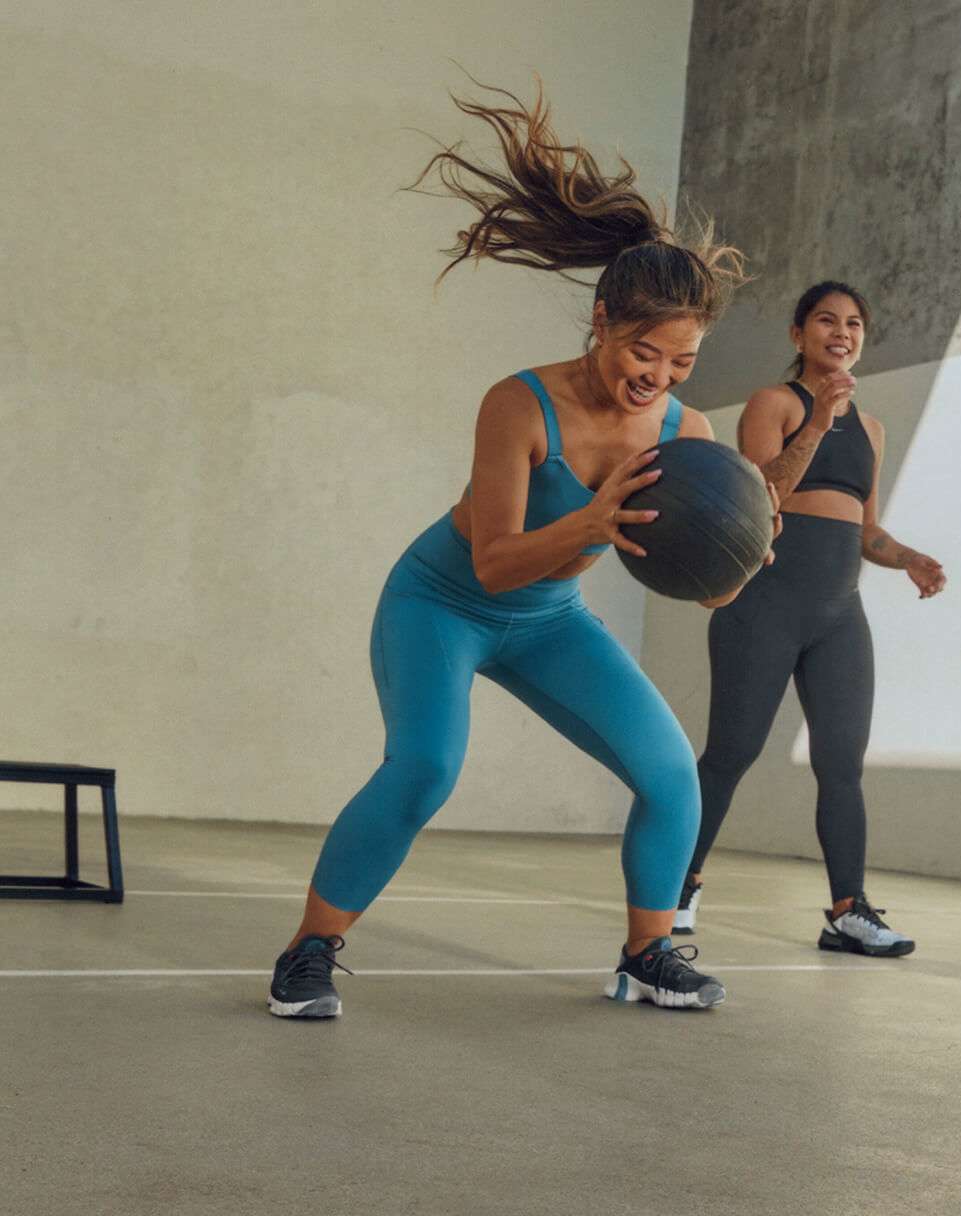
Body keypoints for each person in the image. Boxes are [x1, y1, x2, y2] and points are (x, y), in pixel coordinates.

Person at [267, 81, 773, 1018]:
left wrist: (729, 567)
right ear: (602, 323)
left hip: (548, 622)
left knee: (670, 774)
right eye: (644, 354)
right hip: (443, 604)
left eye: (680, 364)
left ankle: (647, 955)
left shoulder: (685, 429)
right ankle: (308, 951)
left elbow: (695, 573)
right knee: (424, 769)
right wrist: (591, 521)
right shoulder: (520, 403)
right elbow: (497, 561)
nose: (656, 379)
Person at [678, 282, 946, 957]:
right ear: (798, 335)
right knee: (730, 754)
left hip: (837, 614)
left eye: (855, 323)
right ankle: (678, 885)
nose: (843, 332)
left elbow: (866, 529)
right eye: (827, 320)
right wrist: (820, 419)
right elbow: (761, 495)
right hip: (764, 603)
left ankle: (847, 911)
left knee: (841, 763)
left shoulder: (874, 429)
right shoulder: (775, 404)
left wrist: (906, 555)